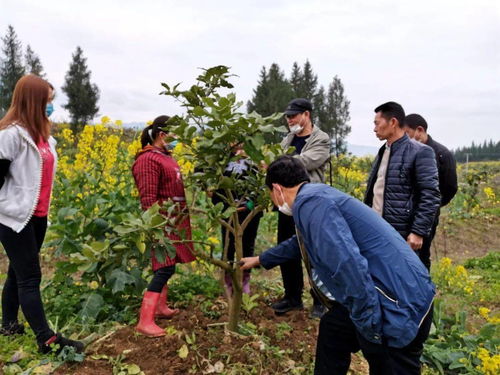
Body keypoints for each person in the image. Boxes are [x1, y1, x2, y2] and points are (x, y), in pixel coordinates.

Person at [240, 155, 435, 375]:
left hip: (398, 305)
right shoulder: (316, 196)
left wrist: (371, 330)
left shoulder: (310, 204)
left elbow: (348, 267)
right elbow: (301, 241)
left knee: (386, 361)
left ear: (276, 189)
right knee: (333, 329)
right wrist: (260, 259)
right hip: (395, 291)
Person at [0, 75, 84, 354]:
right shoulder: (10, 136)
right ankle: (46, 338)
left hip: (38, 217)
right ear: (33, 101)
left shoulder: (46, 138)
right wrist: (8, 207)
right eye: (47, 101)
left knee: (17, 272)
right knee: (30, 277)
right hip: (14, 218)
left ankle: (9, 324)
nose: (50, 107)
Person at [132, 115, 196, 337]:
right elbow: (148, 199)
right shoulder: (148, 159)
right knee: (164, 266)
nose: (178, 140)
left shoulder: (164, 156)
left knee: (168, 265)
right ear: (162, 135)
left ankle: (160, 307)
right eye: (175, 135)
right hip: (162, 222)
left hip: (174, 220)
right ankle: (145, 319)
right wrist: (156, 227)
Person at [274, 98, 331, 317]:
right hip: (286, 204)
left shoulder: (321, 139)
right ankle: (292, 297)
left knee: (314, 253)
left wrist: (277, 161)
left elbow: (307, 161)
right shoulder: (287, 138)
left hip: (310, 204)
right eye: (288, 117)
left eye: (294, 116)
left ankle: (320, 300)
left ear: (306, 115)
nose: (290, 120)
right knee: (286, 251)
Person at [364, 102, 441, 255]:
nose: (374, 128)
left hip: (402, 234)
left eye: (377, 123)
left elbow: (430, 194)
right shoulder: (382, 152)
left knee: (405, 277)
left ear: (393, 122)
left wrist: (418, 231)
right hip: (377, 230)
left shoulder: (420, 152)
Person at [403, 113, 458, 269]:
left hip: (427, 215)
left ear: (420, 130)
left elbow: (450, 188)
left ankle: (423, 289)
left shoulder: (442, 154)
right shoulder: (407, 152)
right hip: (404, 213)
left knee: (422, 254)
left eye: (407, 133)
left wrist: (430, 207)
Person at [211, 144, 262, 295]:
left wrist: (251, 202)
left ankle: (244, 279)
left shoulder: (254, 158)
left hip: (249, 212)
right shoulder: (220, 159)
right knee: (229, 246)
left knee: (247, 245)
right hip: (228, 210)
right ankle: (228, 280)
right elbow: (212, 183)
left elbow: (261, 183)